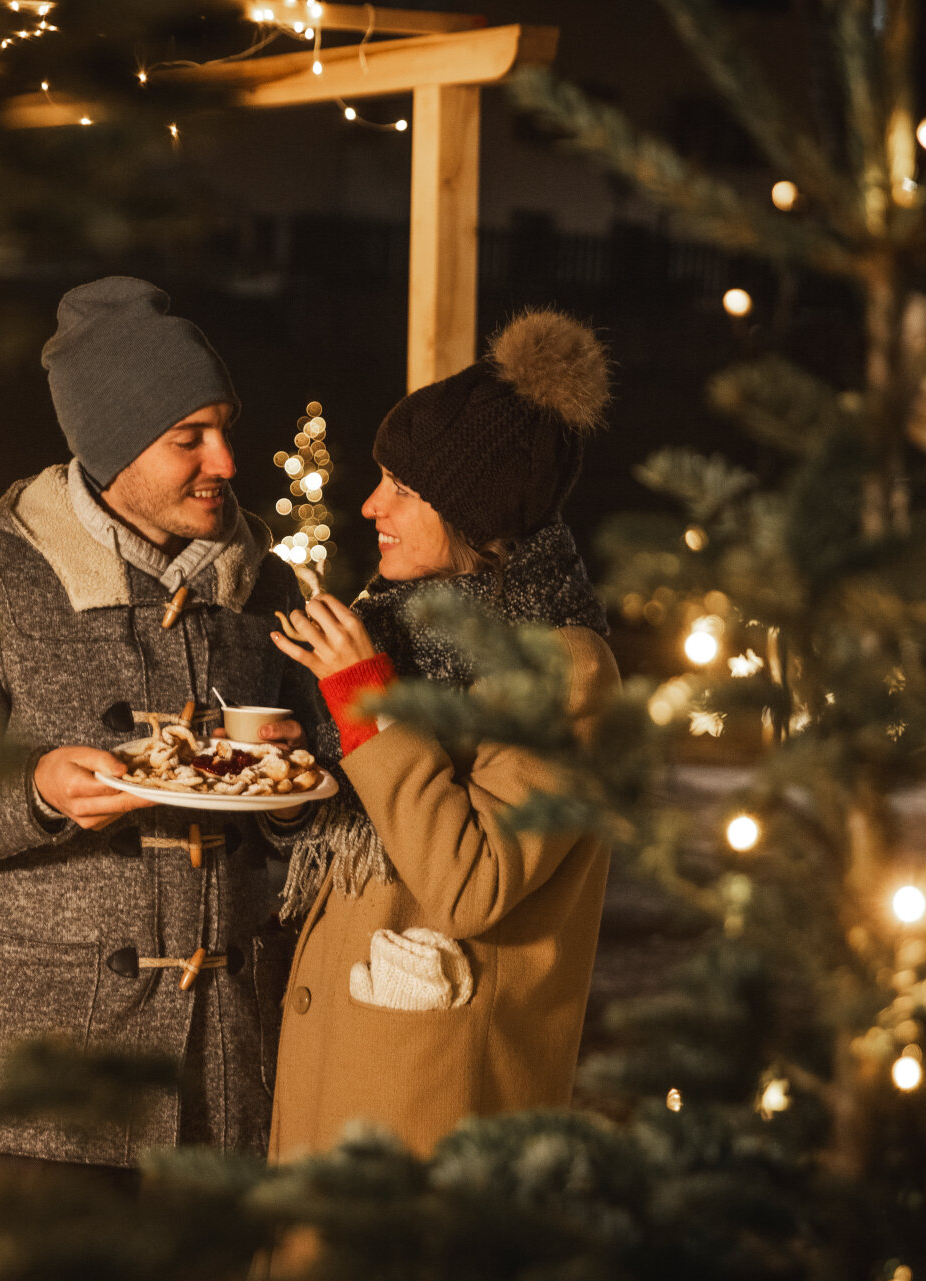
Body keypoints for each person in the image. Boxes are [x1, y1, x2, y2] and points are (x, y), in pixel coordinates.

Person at [0, 277, 321, 1174]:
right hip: (43, 1102)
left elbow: (327, 810)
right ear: (111, 444)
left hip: (229, 1089)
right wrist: (37, 794)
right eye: (188, 438)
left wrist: (288, 799)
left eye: (224, 428)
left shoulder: (268, 589)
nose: (226, 460)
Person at [264, 309, 621, 1162]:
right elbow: (371, 827)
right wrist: (289, 783)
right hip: (344, 1066)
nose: (370, 504)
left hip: (433, 1099)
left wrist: (363, 700)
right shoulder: (401, 623)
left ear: (471, 507)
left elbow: (472, 883)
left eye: (402, 486)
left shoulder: (559, 666)